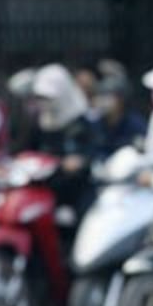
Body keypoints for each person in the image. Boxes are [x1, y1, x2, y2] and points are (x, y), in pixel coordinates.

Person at [27, 64, 98, 218]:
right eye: (41, 97)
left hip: (76, 187)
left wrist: (81, 160)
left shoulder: (82, 121)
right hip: (45, 183)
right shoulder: (40, 121)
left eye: (48, 97)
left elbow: (93, 150)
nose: (44, 102)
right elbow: (30, 150)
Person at [92, 76, 147, 159]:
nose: (103, 101)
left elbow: (142, 149)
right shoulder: (96, 123)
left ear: (121, 100)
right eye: (101, 96)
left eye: (108, 96)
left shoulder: (135, 123)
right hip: (102, 167)